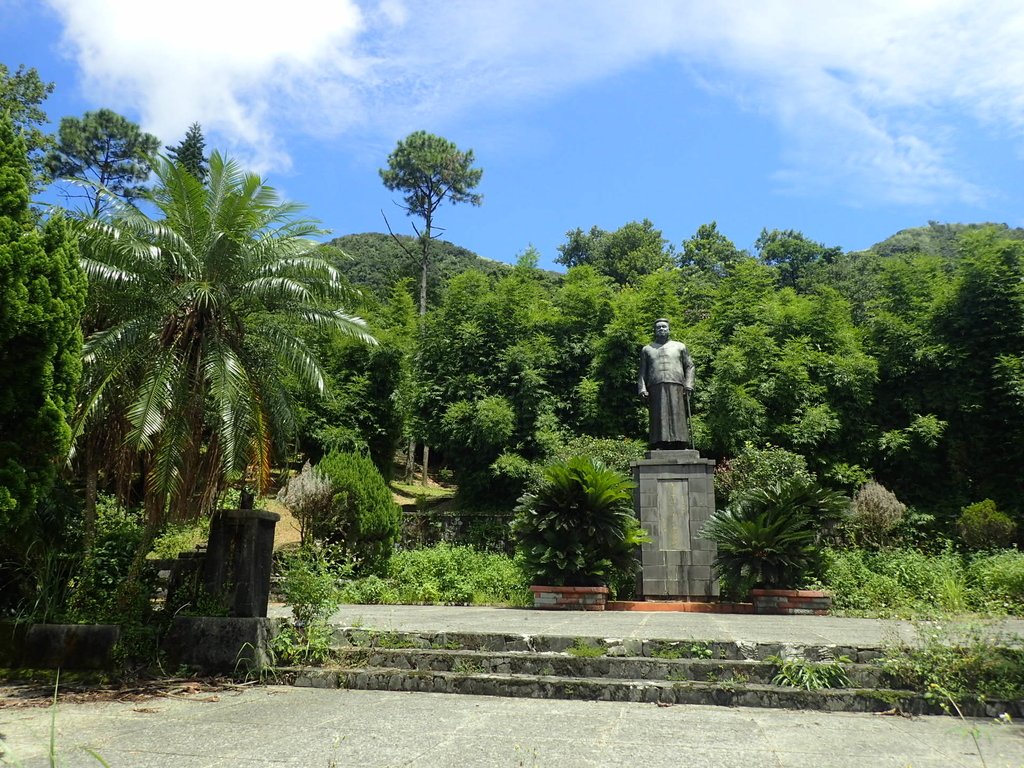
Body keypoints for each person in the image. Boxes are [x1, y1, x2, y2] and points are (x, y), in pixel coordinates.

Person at [638, 318, 695, 449]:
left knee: (678, 414)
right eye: (659, 328)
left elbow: (690, 366)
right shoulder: (647, 349)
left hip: (677, 384)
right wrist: (642, 388)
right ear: (654, 331)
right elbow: (642, 372)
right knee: (658, 415)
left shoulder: (680, 346)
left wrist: (689, 384)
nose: (661, 329)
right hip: (655, 386)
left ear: (669, 329)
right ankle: (659, 443)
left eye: (664, 327)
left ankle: (680, 442)